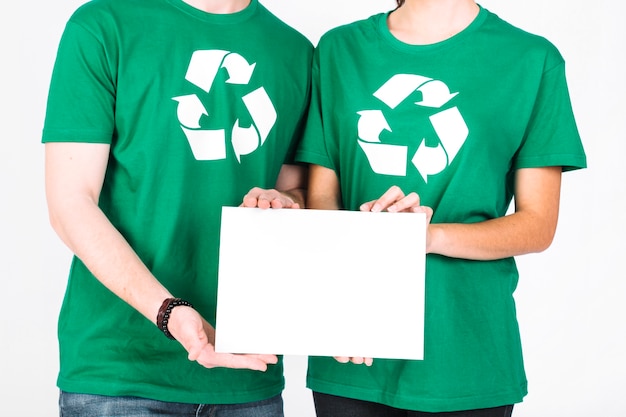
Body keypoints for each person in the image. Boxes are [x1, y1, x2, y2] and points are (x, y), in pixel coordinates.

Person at [295, 0, 586, 415]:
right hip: (355, 346)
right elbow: (323, 198)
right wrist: (345, 300)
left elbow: (538, 225)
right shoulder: (339, 49)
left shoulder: (531, 60)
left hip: (465, 353)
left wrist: (428, 237)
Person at [42, 0, 312, 415]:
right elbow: (70, 203)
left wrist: (286, 203)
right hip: (121, 373)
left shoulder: (294, 49)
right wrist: (169, 312)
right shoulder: (105, 25)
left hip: (247, 373)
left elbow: (294, 188)